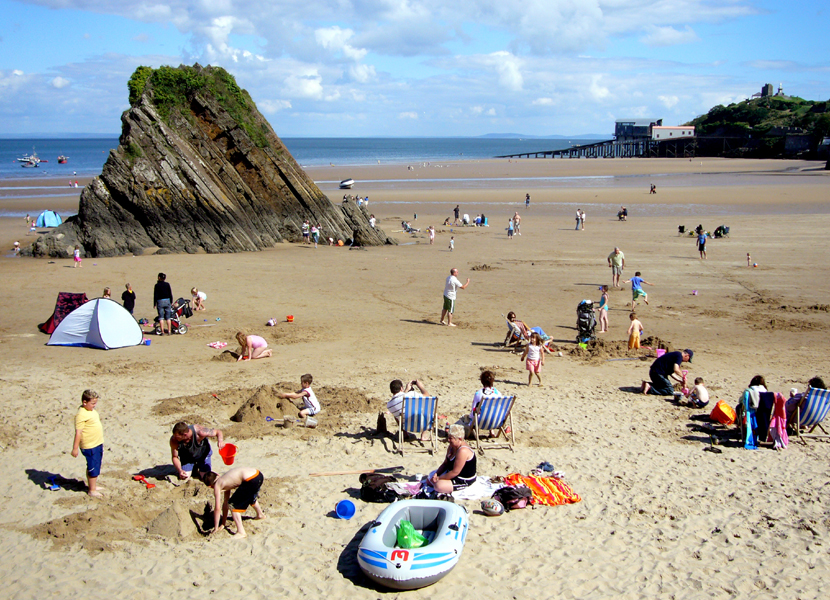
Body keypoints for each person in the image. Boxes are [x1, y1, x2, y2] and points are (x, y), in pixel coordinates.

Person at [204, 467, 266, 539]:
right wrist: (223, 524)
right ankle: (260, 515)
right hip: (258, 475)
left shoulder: (217, 485)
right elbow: (225, 503)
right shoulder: (224, 479)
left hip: (250, 480)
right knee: (249, 496)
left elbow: (217, 509)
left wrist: (215, 528)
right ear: (217, 475)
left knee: (233, 505)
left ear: (210, 486)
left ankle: (241, 532)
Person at [71, 389, 104, 498]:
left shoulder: (90, 411)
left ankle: (92, 485)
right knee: (93, 467)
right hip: (90, 445)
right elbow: (78, 433)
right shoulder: (81, 415)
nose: (94, 405)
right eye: (93, 403)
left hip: (97, 443)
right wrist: (75, 448)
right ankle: (91, 490)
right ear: (84, 402)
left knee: (95, 465)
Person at [430, 424, 476, 493]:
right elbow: (445, 464)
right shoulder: (451, 447)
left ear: (459, 439)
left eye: (450, 438)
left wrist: (439, 478)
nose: (448, 440)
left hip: (463, 479)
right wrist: (437, 474)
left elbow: (455, 472)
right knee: (430, 478)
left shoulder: (463, 451)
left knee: (438, 485)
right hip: (451, 472)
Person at [738, 375, 768, 449]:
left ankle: (740, 425)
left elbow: (741, 401)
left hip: (751, 414)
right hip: (763, 415)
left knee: (738, 407)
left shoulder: (748, 391)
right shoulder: (766, 392)